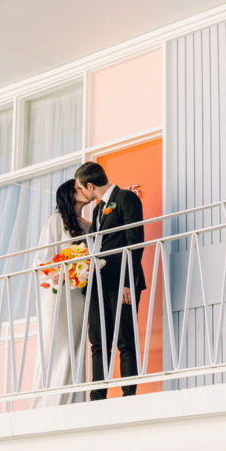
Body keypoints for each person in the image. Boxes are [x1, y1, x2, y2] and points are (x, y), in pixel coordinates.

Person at [74, 161, 145, 400]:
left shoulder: (127, 199)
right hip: (99, 282)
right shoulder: (96, 211)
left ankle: (128, 394)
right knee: (98, 339)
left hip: (121, 281)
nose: (81, 193)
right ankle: (97, 396)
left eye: (81, 188)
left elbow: (135, 241)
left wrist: (128, 281)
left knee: (125, 337)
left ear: (90, 185)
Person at [31, 179, 92, 407]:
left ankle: (71, 400)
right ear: (68, 194)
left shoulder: (87, 225)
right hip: (59, 292)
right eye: (77, 188)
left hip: (78, 295)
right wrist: (55, 273)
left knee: (74, 345)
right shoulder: (56, 221)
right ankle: (46, 402)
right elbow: (41, 259)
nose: (83, 191)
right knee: (54, 343)